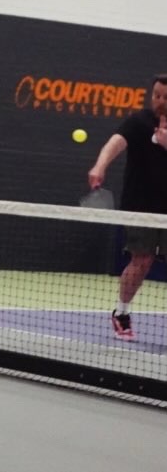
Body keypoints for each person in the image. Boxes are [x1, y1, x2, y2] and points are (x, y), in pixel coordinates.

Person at [87, 73, 167, 341]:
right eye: (156, 95)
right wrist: (100, 166)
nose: (159, 101)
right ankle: (121, 312)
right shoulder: (139, 122)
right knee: (142, 260)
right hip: (140, 206)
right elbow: (115, 143)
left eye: (165, 97)